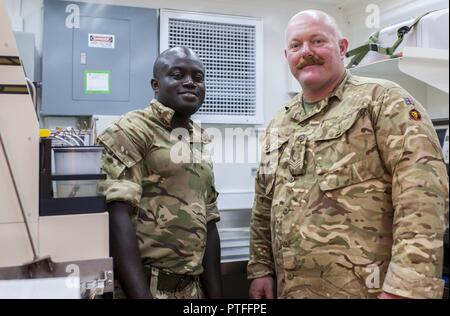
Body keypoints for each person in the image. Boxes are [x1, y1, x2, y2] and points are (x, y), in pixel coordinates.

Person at [247, 10, 449, 299]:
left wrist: (405, 289)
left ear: (342, 47)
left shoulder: (383, 102)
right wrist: (260, 269)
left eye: (318, 41)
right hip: (292, 290)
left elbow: (423, 196)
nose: (307, 52)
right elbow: (264, 204)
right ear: (287, 54)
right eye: (296, 45)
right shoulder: (279, 123)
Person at [97, 46, 223, 299]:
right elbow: (117, 217)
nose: (190, 83)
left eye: (198, 78)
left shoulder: (198, 138)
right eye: (177, 75)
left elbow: (208, 221)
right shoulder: (131, 130)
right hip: (145, 287)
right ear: (156, 84)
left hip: (192, 290)